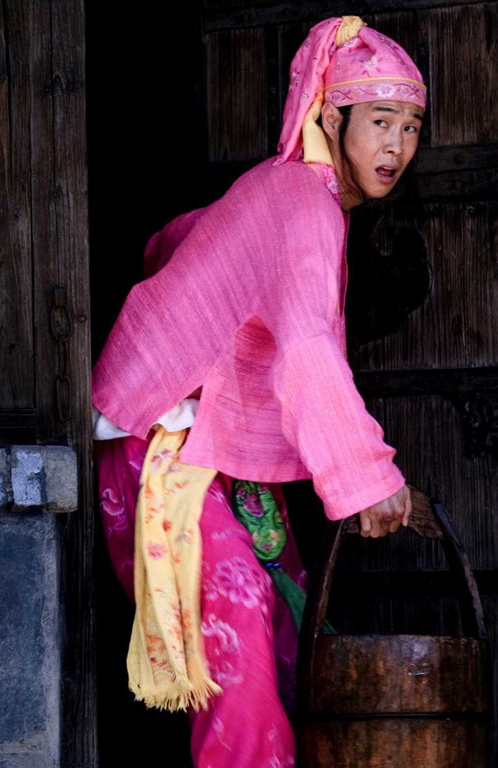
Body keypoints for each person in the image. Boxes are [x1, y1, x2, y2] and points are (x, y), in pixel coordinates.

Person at [91, 15, 426, 768]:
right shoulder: (302, 202)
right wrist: (370, 477)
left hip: (218, 451)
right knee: (239, 638)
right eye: (379, 122)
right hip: (168, 448)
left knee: (287, 628)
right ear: (332, 117)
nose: (396, 148)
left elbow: (177, 240)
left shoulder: (290, 195)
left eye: (409, 127)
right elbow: (305, 350)